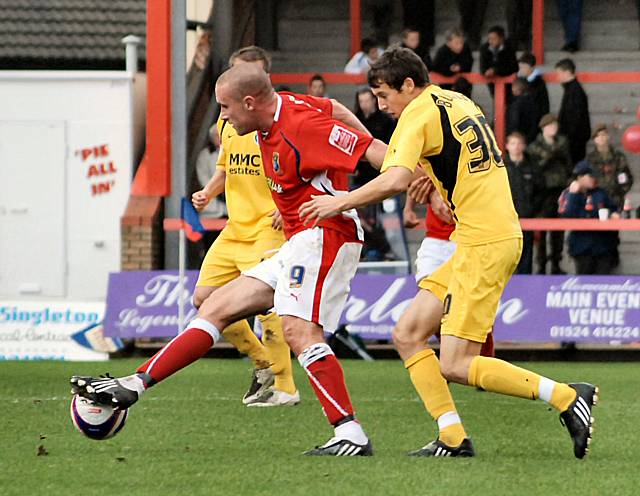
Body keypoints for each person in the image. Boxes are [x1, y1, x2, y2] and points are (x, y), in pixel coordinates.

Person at [72, 62, 389, 457]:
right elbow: (334, 107)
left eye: (225, 107)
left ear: (250, 102)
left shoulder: (302, 128)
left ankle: (350, 433)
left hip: (328, 234)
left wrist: (343, 199)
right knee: (215, 305)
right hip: (299, 240)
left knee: (298, 331)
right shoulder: (283, 107)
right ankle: (135, 384)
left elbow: (384, 158)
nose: (221, 116)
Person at [299, 47, 597, 459]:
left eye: (385, 95)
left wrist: (339, 201)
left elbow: (394, 177)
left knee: (455, 363)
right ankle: (453, 437)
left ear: (408, 84)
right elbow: (441, 161)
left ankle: (566, 396)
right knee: (408, 334)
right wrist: (428, 178)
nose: (382, 105)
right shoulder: (457, 99)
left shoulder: (416, 114)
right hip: (481, 238)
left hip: (485, 244)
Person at [527, 113, 573, 274]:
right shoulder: (535, 147)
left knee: (558, 229)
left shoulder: (562, 143)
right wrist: (549, 157)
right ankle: (541, 263)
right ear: (543, 128)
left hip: (559, 189)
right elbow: (535, 168)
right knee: (542, 228)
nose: (553, 128)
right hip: (543, 191)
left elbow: (568, 164)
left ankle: (556, 262)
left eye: (555, 125)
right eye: (549, 125)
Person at [559, 161, 620, 274]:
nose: (594, 179)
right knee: (584, 279)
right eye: (590, 176)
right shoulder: (568, 193)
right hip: (582, 246)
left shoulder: (601, 193)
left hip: (603, 245)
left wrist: (613, 214)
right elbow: (566, 214)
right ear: (580, 177)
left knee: (603, 281)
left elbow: (613, 209)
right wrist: (574, 195)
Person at [504, 131, 545, 274]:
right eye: (513, 143)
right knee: (506, 256)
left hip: (527, 217)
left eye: (519, 143)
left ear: (524, 146)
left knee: (526, 254)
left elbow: (540, 190)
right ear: (507, 146)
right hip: (506, 220)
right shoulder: (501, 167)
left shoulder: (532, 166)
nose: (516, 147)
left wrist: (533, 209)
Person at [586, 124, 634, 210]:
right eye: (598, 136)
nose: (601, 138)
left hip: (615, 199)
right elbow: (585, 178)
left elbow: (627, 177)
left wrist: (621, 192)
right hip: (597, 198)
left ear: (608, 136)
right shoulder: (590, 159)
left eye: (603, 135)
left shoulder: (618, 157)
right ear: (594, 140)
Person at [556, 58, 591, 165]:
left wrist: (566, 137)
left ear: (567, 72)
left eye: (559, 73)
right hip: (574, 138)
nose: (557, 77)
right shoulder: (572, 89)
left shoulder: (574, 92)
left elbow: (574, 119)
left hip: (574, 140)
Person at [479, 25, 518, 98]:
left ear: (501, 39)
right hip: (491, 81)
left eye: (494, 39)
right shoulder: (484, 48)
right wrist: (486, 72)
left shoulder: (510, 48)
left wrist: (496, 70)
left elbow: (513, 67)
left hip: (508, 82)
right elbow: (482, 67)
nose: (490, 41)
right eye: (489, 39)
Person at [518, 52, 550, 126]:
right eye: (520, 67)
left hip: (535, 120)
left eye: (523, 67)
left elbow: (544, 105)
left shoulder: (539, 83)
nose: (521, 70)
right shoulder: (521, 80)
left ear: (532, 67)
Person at [506, 78, 539, 144]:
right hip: (531, 138)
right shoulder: (535, 102)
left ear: (517, 89)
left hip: (517, 139)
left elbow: (514, 123)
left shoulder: (516, 105)